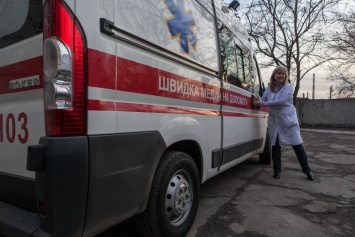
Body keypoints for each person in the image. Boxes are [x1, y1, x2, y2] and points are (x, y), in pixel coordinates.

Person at [253, 66, 314, 181]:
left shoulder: (288, 87)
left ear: (285, 77)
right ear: (274, 75)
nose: (281, 76)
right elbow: (264, 99)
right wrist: (257, 99)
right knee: (275, 147)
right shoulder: (269, 88)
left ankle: (307, 170)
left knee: (297, 145)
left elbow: (282, 101)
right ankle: (277, 171)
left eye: (283, 74)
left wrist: (262, 103)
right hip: (275, 122)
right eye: (279, 74)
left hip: (287, 121)